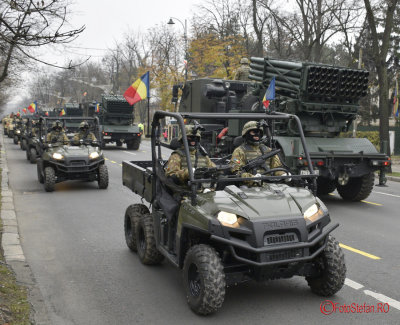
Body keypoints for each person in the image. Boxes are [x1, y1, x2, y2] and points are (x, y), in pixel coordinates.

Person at [230, 121, 285, 185]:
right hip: (248, 187)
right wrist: (251, 178)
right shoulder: (239, 151)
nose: (257, 135)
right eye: (253, 132)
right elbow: (236, 172)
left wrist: (283, 174)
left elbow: (276, 168)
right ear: (246, 133)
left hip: (269, 186)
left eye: (258, 132)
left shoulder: (268, 150)